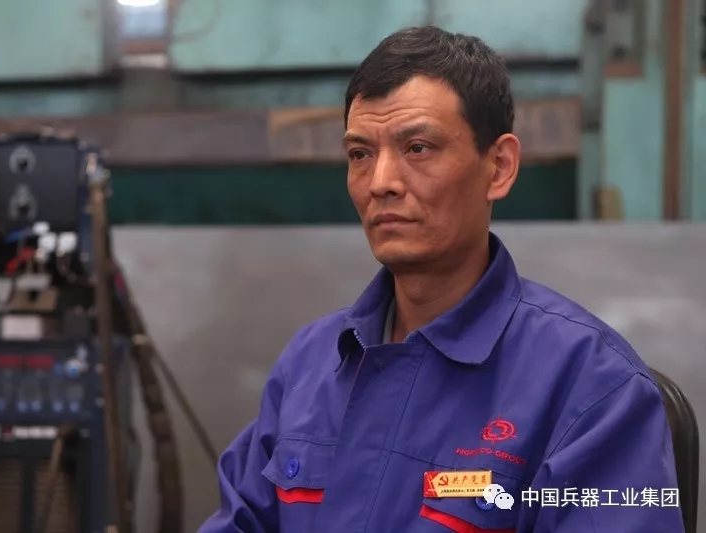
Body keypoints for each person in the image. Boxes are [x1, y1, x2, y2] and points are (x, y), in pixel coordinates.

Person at [198, 26, 684, 533]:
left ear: (499, 167)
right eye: (360, 154)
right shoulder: (311, 364)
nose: (381, 182)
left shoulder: (592, 387)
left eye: (418, 147)